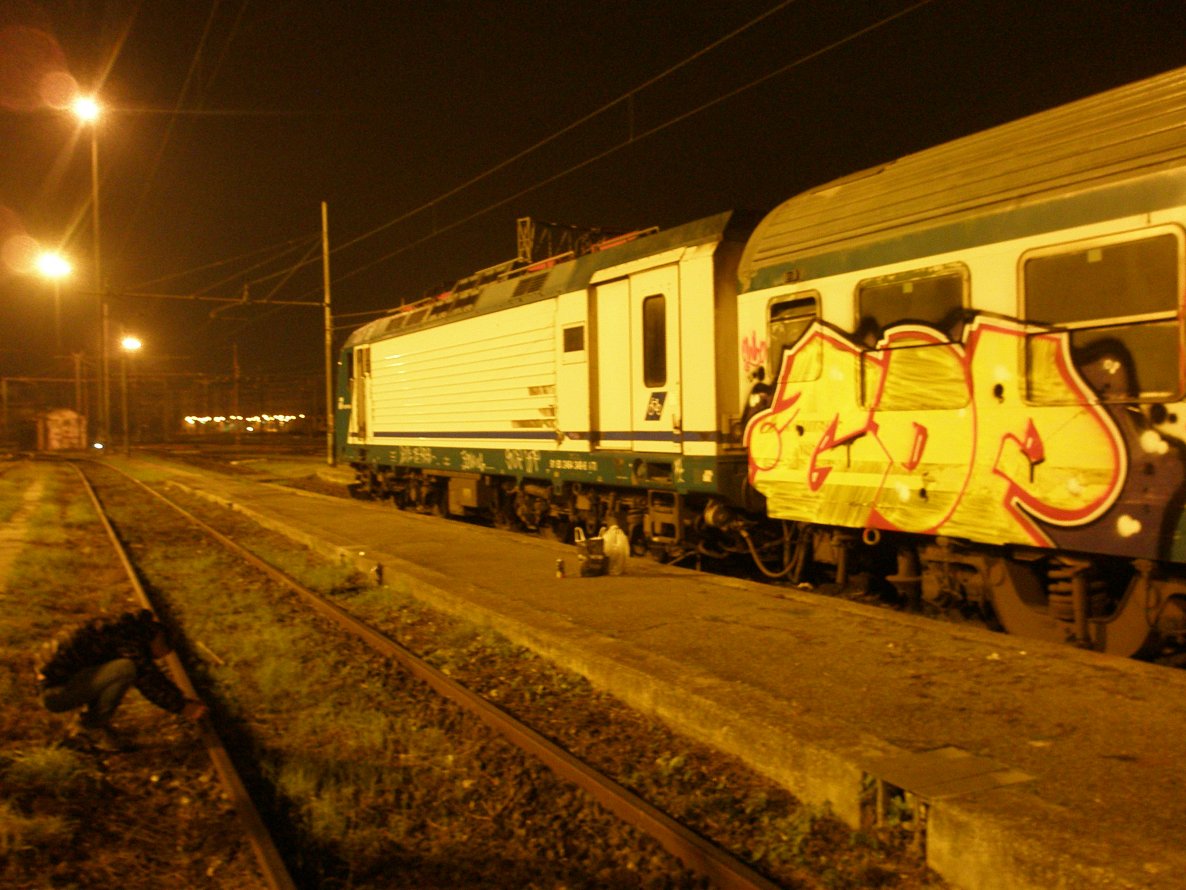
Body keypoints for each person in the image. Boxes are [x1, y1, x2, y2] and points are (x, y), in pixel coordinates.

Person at [36, 609, 207, 751]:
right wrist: (183, 706)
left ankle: (90, 723)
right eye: (163, 651)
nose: (159, 658)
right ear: (158, 639)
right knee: (125, 669)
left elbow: (150, 673)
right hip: (55, 694)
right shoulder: (127, 644)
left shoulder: (122, 631)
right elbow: (149, 680)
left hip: (56, 683)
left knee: (118, 669)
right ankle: (90, 728)